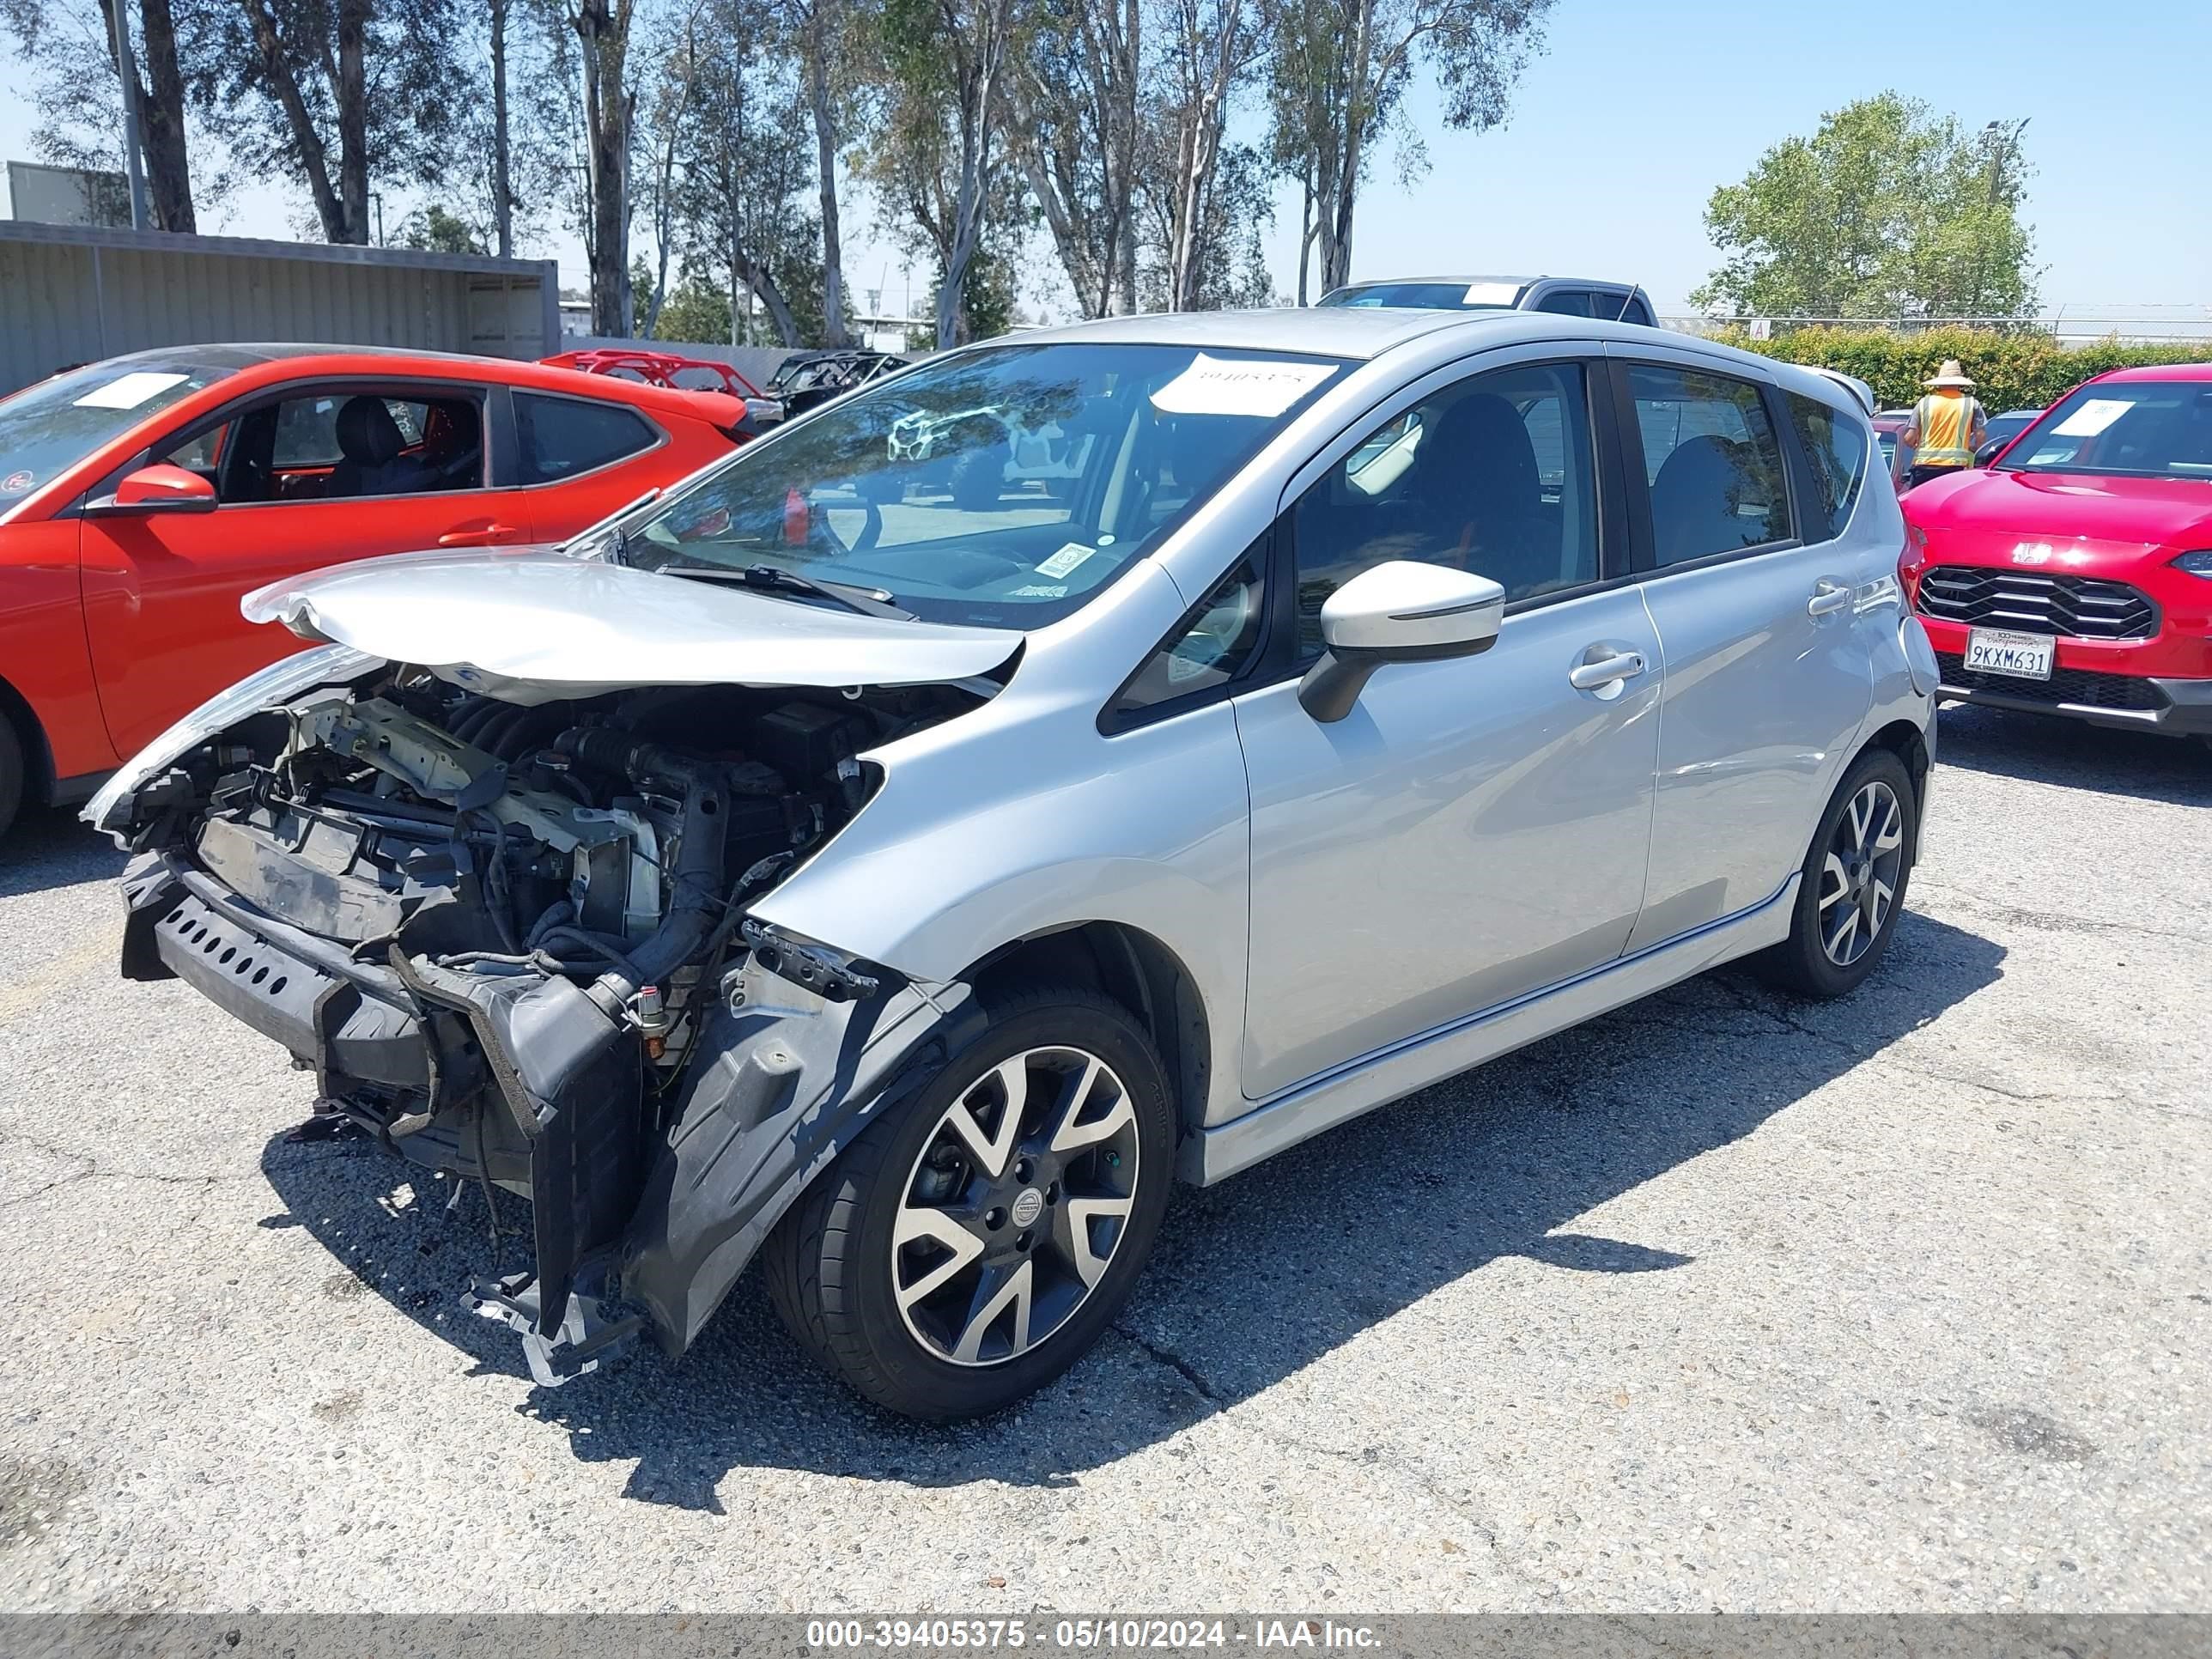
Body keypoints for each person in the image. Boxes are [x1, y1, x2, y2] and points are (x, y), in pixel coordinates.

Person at [1898, 360, 1987, 491]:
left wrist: (1914, 444)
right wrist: (1972, 448)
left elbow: (1909, 438)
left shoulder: (1924, 403)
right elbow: (1981, 437)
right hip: (1955, 468)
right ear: (1959, 383)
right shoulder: (1971, 404)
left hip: (1924, 467)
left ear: (1939, 383)